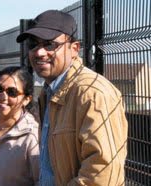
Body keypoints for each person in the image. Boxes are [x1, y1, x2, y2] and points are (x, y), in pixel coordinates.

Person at [16, 10, 128, 186]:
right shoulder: (50, 93)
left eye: (50, 44)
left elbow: (102, 175)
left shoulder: (92, 93)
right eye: (33, 44)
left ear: (74, 48)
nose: (39, 52)